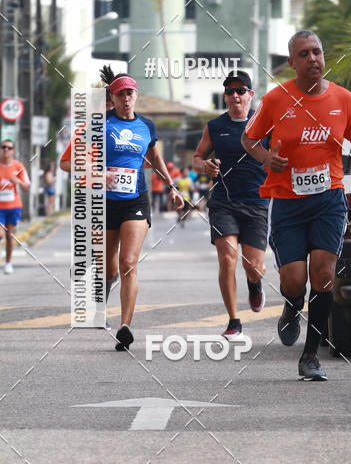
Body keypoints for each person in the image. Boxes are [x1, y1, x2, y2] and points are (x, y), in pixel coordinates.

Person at [241, 31, 351, 381]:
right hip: (288, 203)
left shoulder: (342, 99)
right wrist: (266, 159)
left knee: (324, 274)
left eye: (317, 51)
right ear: (292, 62)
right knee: (293, 280)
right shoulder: (276, 99)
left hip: (328, 200)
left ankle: (311, 355)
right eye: (304, 54)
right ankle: (290, 306)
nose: (312, 59)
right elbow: (249, 138)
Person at [61, 68, 184, 351]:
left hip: (135, 201)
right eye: (120, 94)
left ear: (136, 95)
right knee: (107, 265)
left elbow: (153, 156)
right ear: (112, 98)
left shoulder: (147, 127)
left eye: (130, 93)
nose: (126, 99)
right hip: (104, 203)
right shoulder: (97, 125)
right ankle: (103, 289)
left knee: (129, 262)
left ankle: (125, 326)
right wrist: (97, 173)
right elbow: (67, 163)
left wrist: (172, 186)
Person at [193, 71, 268, 339]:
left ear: (250, 94)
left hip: (257, 202)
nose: (234, 95)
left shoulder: (266, 124)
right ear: (225, 96)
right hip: (224, 202)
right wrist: (204, 166)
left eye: (240, 90)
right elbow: (197, 157)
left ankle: (255, 283)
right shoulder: (215, 126)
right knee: (227, 258)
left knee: (254, 266)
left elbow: (281, 155)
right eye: (229, 91)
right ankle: (234, 321)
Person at [0, 140, 31, 275]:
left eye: (9, 148)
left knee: (9, 236)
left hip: (14, 206)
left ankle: (8, 263)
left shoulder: (18, 166)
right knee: (0, 234)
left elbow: (26, 187)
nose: (6, 149)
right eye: (4, 147)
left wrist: (17, 181)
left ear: (13, 151)